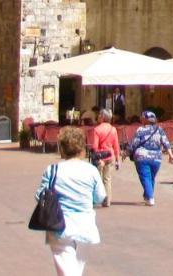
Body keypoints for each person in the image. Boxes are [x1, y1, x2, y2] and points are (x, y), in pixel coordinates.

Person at [35, 126, 105, 276]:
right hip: (85, 225)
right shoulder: (91, 170)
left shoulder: (52, 170)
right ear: (81, 147)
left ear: (62, 148)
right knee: (76, 271)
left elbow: (39, 195)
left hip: (60, 225)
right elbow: (100, 197)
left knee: (68, 272)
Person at [126, 111, 173, 206]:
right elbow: (166, 142)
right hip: (156, 158)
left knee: (145, 177)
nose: (141, 119)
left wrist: (126, 153)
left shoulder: (140, 130)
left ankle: (150, 197)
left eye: (142, 117)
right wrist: (171, 155)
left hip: (142, 157)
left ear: (145, 119)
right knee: (150, 177)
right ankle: (147, 195)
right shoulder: (159, 129)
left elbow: (134, 143)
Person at [88, 110, 121, 207]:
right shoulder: (113, 129)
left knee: (96, 179)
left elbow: (95, 146)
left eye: (99, 115)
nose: (98, 116)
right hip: (110, 156)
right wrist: (118, 159)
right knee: (107, 179)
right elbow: (116, 145)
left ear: (102, 117)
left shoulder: (97, 129)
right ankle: (107, 200)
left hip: (100, 157)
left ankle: (95, 199)